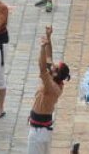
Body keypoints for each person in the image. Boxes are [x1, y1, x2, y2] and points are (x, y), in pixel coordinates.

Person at [26, 26, 67, 154]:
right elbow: (49, 58)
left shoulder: (51, 85)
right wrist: (49, 37)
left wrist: (42, 48)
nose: (52, 65)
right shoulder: (57, 81)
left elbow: (42, 66)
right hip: (42, 128)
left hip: (38, 132)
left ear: (55, 74)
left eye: (55, 67)